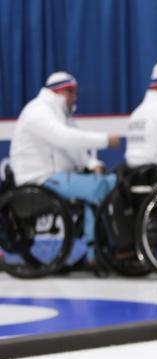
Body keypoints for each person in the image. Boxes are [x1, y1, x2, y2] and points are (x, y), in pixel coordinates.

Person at [9, 71, 121, 258]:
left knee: (107, 183)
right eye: (74, 94)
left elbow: (74, 148)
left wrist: (93, 163)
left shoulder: (58, 113)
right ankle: (97, 252)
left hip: (53, 177)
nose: (75, 99)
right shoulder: (38, 111)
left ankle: (101, 249)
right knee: (98, 186)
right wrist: (105, 140)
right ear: (65, 92)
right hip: (39, 180)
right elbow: (64, 137)